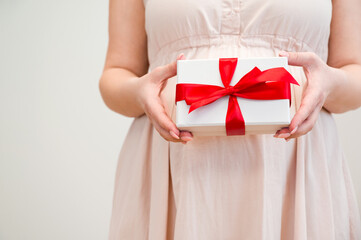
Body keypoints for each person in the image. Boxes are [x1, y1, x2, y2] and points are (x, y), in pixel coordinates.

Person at [99, 0, 361, 238]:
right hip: (174, 166)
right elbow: (116, 73)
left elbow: (354, 71)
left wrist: (329, 83)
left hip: (295, 167)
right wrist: (139, 91)